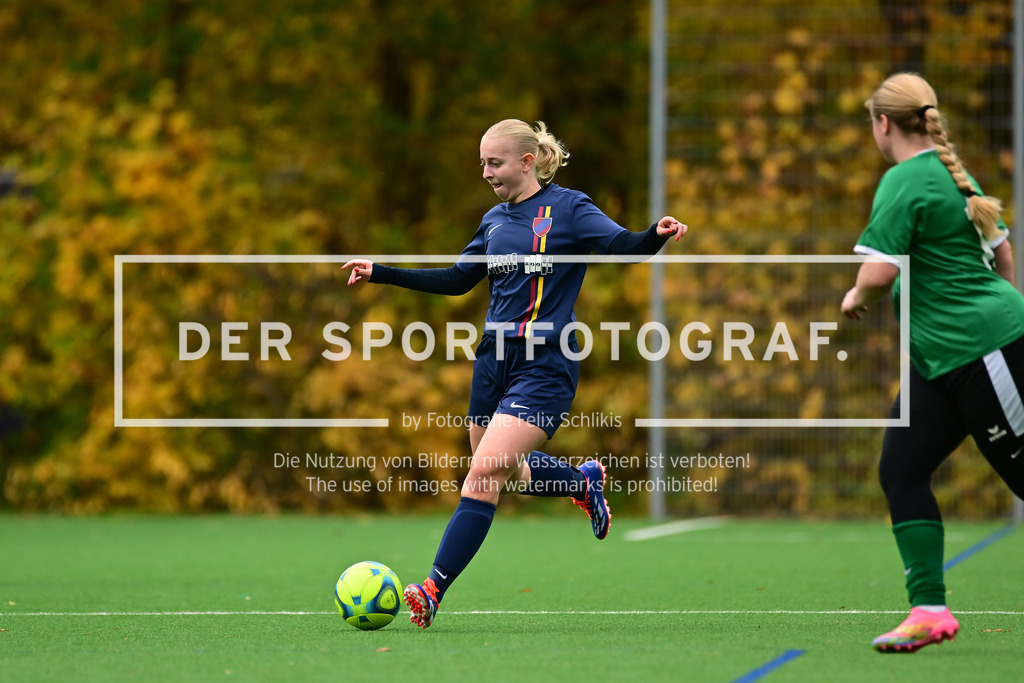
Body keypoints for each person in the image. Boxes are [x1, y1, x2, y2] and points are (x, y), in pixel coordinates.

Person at [343, 119, 686, 629]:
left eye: (494, 162)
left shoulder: (570, 209)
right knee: (508, 471)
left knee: (483, 474)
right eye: (481, 162)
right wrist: (383, 272)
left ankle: (432, 589)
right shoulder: (494, 220)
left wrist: (653, 237)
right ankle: (582, 481)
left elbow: (623, 247)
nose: (485, 172)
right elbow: (459, 281)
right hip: (493, 362)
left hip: (545, 364)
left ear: (527, 162)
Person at [841, 72, 1024, 653]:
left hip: (981, 352)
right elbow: (1003, 253)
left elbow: (878, 272)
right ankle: (929, 611)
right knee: (901, 469)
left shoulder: (905, 179)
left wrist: (853, 298)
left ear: (882, 123)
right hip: (938, 362)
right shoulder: (952, 172)